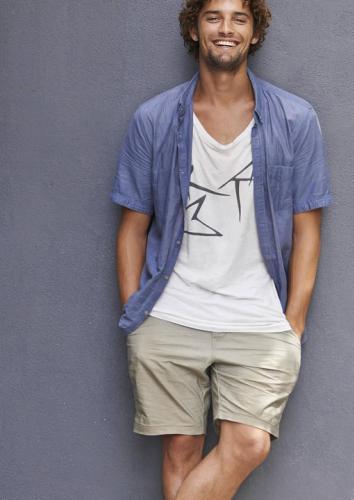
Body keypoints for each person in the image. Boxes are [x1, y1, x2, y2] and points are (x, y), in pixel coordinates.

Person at [109, 0, 334, 498]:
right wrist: (136, 314)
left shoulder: (295, 119)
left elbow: (308, 230)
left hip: (258, 317)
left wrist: (294, 322)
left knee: (248, 443)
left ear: (255, 32)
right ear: (195, 28)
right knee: (181, 449)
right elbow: (132, 227)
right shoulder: (154, 119)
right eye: (213, 17)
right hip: (171, 314)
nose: (226, 28)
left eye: (239, 18)